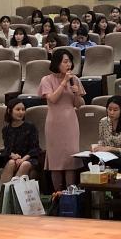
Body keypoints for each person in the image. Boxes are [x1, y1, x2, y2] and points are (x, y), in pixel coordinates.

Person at [37, 50, 85, 190]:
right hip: (54, 122)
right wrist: (64, 82)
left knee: (70, 160)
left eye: (70, 61)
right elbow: (52, 99)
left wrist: (77, 94)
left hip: (70, 122)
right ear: (57, 63)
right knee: (56, 161)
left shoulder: (75, 79)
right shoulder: (46, 80)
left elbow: (79, 105)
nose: (68, 64)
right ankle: (57, 195)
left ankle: (70, 194)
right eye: (65, 61)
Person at [0, 99, 41, 187]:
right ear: (9, 111)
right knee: (11, 162)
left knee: (24, 164)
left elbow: (35, 148)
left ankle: (13, 192)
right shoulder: (6, 129)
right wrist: (12, 155)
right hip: (14, 159)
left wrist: (23, 159)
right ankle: (2, 194)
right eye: (18, 109)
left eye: (23, 109)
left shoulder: (30, 127)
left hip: (29, 158)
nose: (21, 112)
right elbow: (7, 148)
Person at [94, 95, 121, 169]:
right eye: (109, 109)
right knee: (91, 159)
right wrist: (98, 148)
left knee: (116, 162)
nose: (111, 112)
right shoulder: (103, 122)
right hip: (108, 155)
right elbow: (102, 141)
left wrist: (110, 148)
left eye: (115, 110)